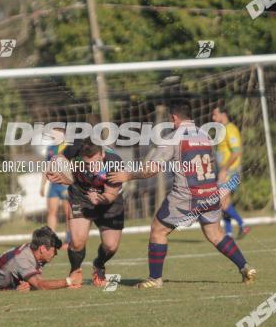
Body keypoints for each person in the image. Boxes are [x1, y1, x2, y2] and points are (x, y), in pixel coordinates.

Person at [108, 99, 256, 289]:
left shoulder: (173, 137)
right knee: (215, 234)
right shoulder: (204, 135)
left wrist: (127, 175)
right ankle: (245, 266)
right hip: (210, 191)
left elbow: (152, 169)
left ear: (174, 117)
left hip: (186, 195)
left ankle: (155, 278)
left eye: (171, 119)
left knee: (158, 230)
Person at [46, 137, 124, 287]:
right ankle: (75, 271)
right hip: (80, 195)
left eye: (95, 163)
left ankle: (99, 264)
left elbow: (111, 194)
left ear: (102, 154)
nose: (92, 168)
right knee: (77, 241)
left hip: (108, 200)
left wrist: (100, 199)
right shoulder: (76, 148)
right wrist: (52, 169)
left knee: (111, 246)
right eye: (88, 164)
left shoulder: (114, 162)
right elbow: (59, 158)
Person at [0, 226, 82, 291]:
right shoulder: (23, 259)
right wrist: (68, 281)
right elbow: (40, 285)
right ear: (42, 249)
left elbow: (34, 281)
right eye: (53, 250)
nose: (56, 253)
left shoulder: (34, 252)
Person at [211, 103, 251, 238]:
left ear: (224, 115)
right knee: (225, 203)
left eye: (215, 114)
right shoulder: (222, 130)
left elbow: (236, 152)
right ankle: (228, 233)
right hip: (226, 172)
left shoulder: (230, 130)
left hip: (231, 173)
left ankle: (242, 224)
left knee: (221, 202)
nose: (213, 117)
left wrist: (224, 169)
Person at [40, 127, 72, 249]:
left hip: (65, 185)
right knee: (51, 212)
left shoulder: (68, 147)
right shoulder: (50, 148)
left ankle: (69, 241)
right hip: (53, 186)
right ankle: (51, 240)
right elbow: (47, 166)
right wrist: (42, 185)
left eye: (56, 134)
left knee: (68, 213)